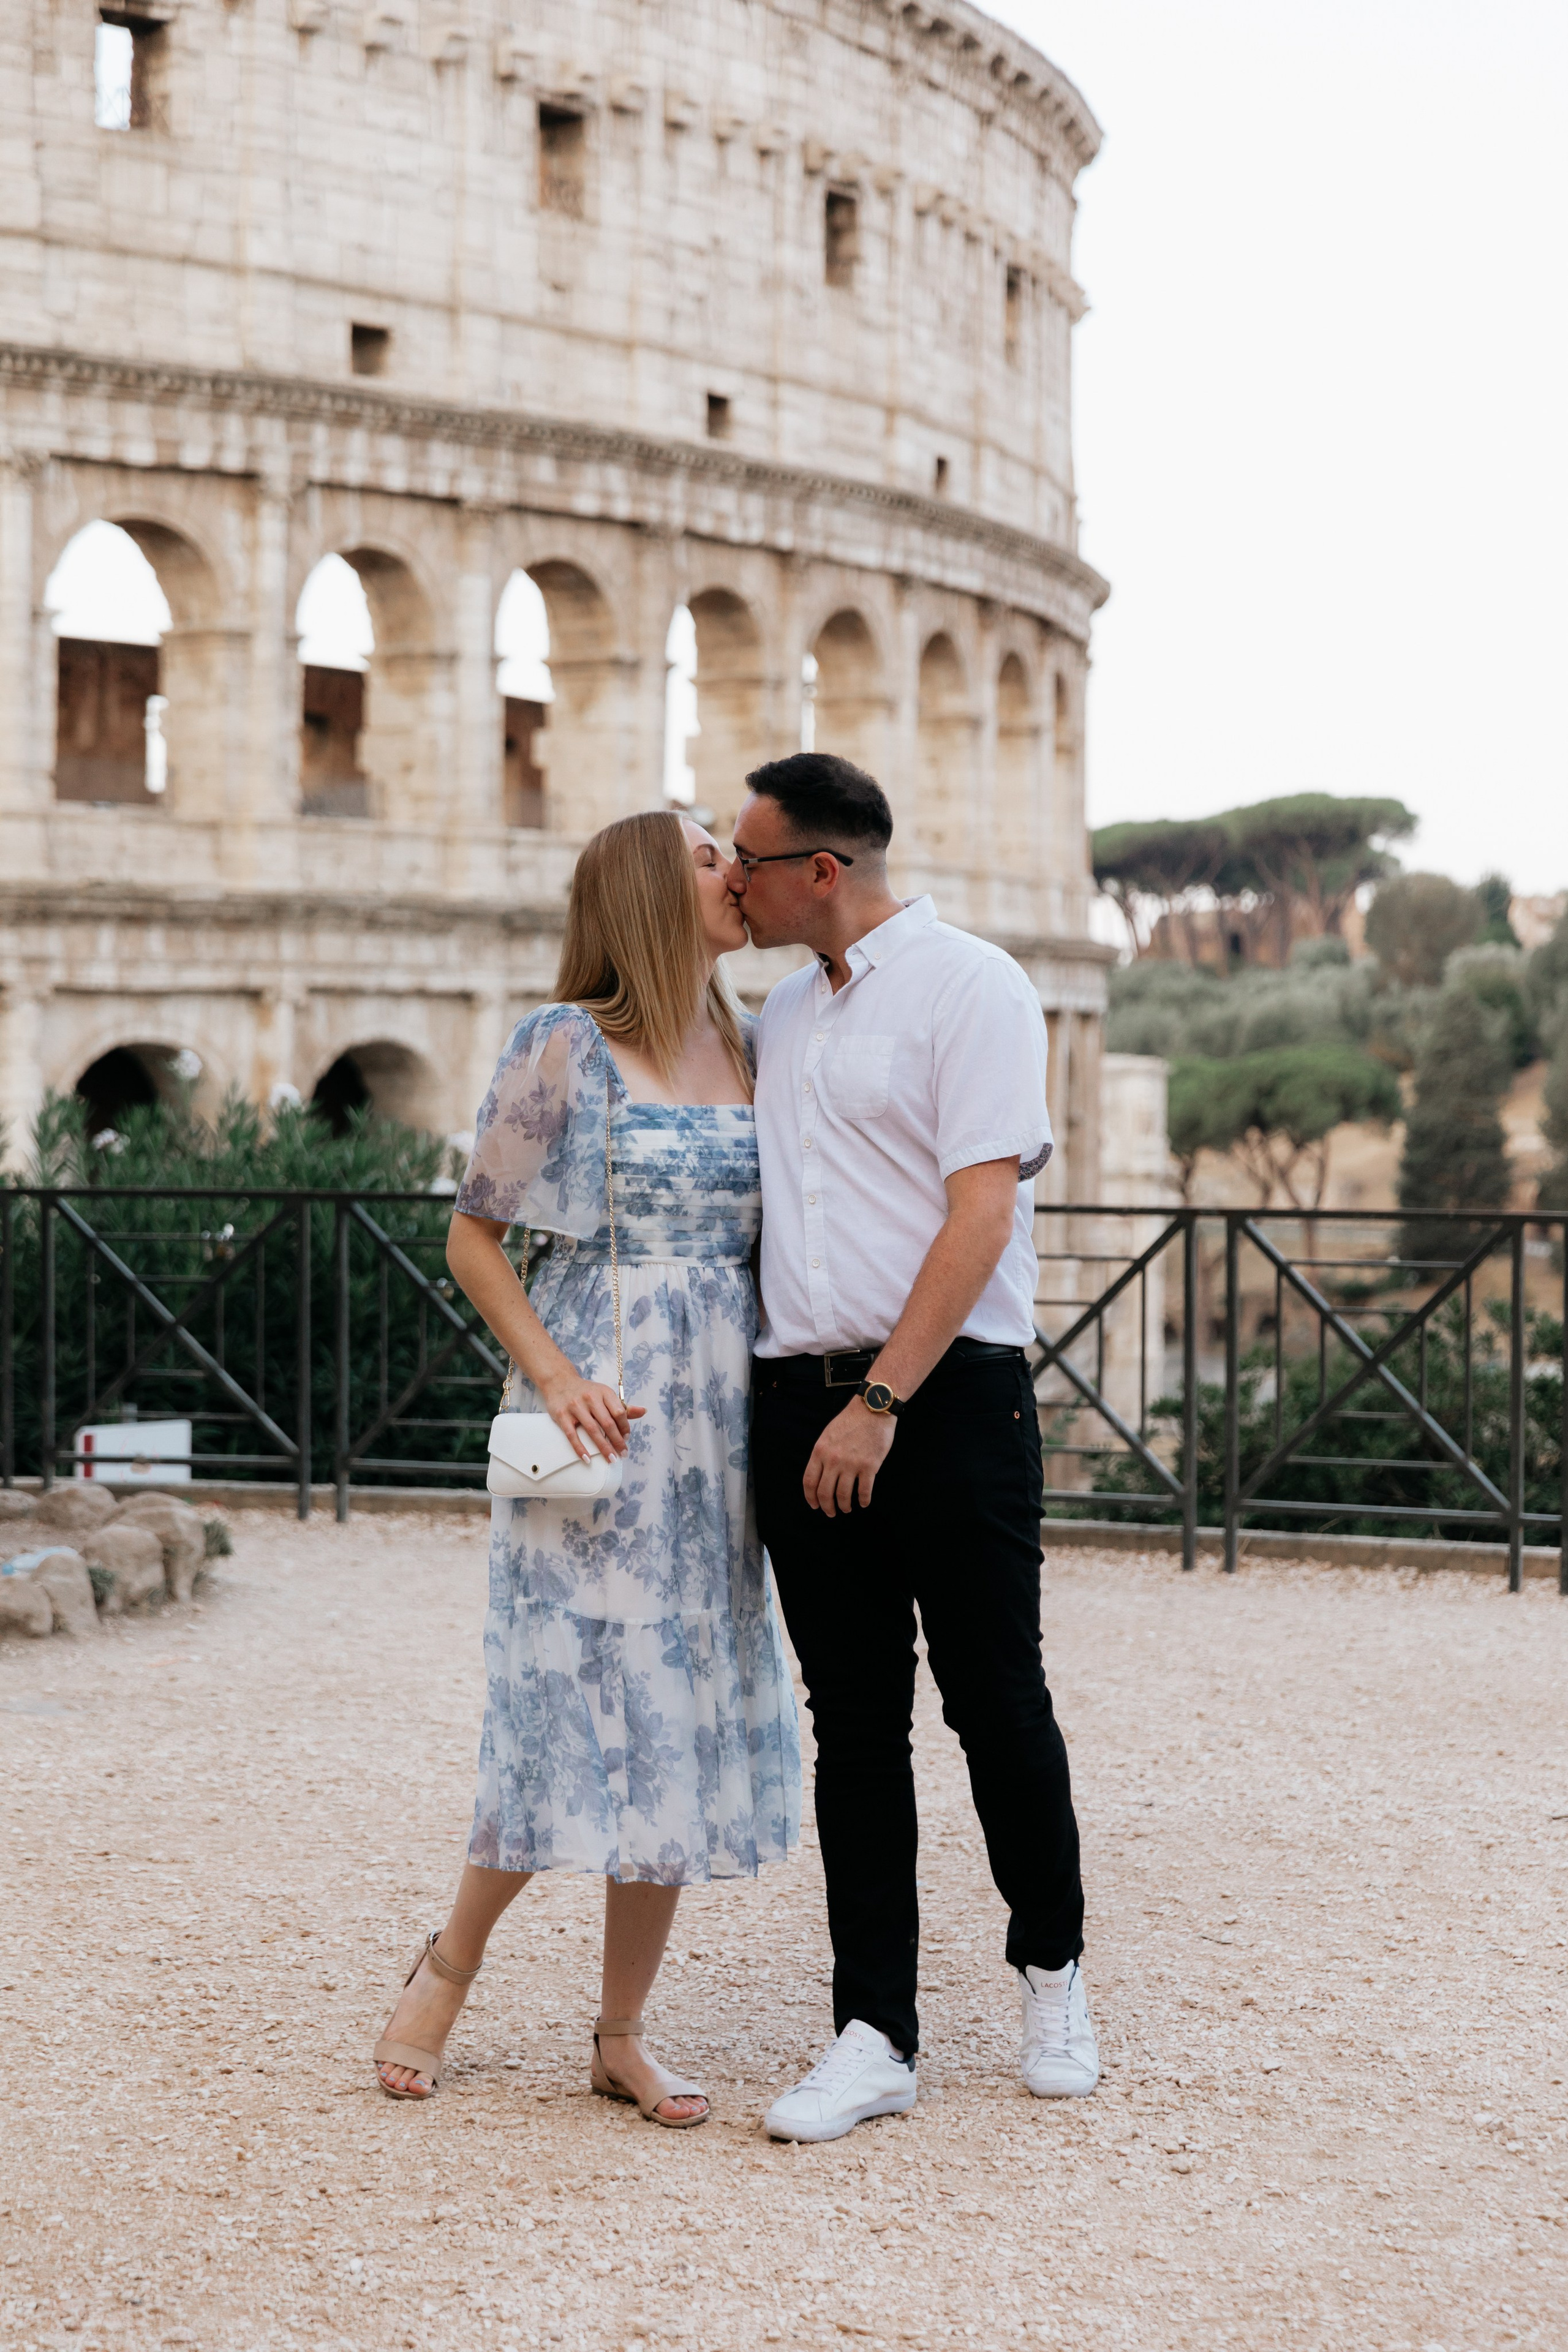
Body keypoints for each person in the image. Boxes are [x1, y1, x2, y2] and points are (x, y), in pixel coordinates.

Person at [373, 809, 801, 2125]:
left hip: (720, 1416)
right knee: (557, 1698)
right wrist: (555, 1378)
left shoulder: (749, 1038)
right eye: (711, 857)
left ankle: (620, 2034)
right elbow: (474, 1238)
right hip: (595, 1405)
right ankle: (449, 1966)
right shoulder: (562, 1041)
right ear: (645, 892)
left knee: (673, 1708)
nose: (738, 871)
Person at [729, 751, 1097, 2144]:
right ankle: (872, 2030)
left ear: (819, 871)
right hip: (796, 1400)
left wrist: (876, 1405)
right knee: (853, 1729)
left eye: (751, 862)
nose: (737, 884)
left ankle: (1051, 1971)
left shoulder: (972, 986)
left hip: (937, 1402)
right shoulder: (777, 1013)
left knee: (994, 1700)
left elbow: (979, 1215)